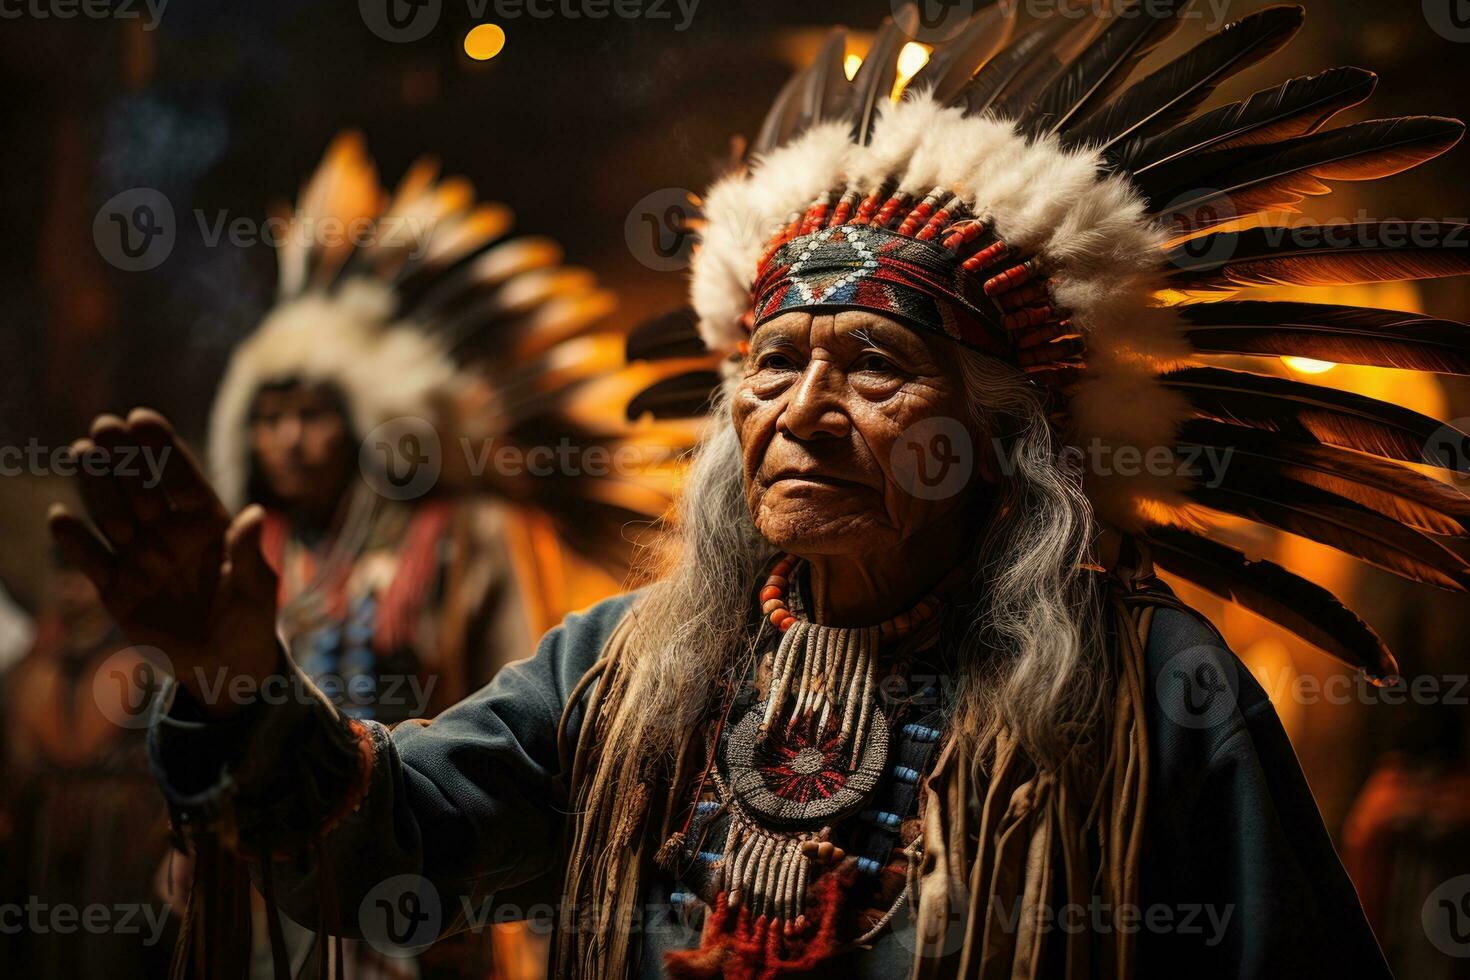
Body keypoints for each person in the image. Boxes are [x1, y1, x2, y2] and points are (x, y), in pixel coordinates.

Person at [50, 3, 1470, 977]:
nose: (801, 410)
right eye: (774, 359)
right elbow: (379, 847)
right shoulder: (628, 671)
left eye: (871, 363)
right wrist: (239, 678)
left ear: (996, 432)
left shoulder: (1153, 693)